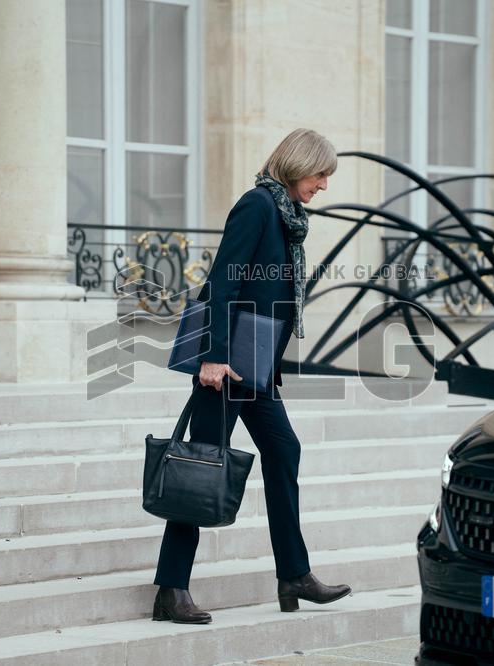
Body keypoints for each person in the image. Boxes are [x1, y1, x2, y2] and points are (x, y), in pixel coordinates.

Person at [151, 128, 352, 624]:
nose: (324, 184)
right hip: (226, 368)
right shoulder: (258, 206)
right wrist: (213, 357)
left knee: (284, 450)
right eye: (320, 173)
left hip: (255, 370)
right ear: (298, 164)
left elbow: (269, 301)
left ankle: (294, 574)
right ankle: (171, 590)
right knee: (199, 467)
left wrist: (269, 366)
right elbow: (223, 284)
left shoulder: (287, 217)